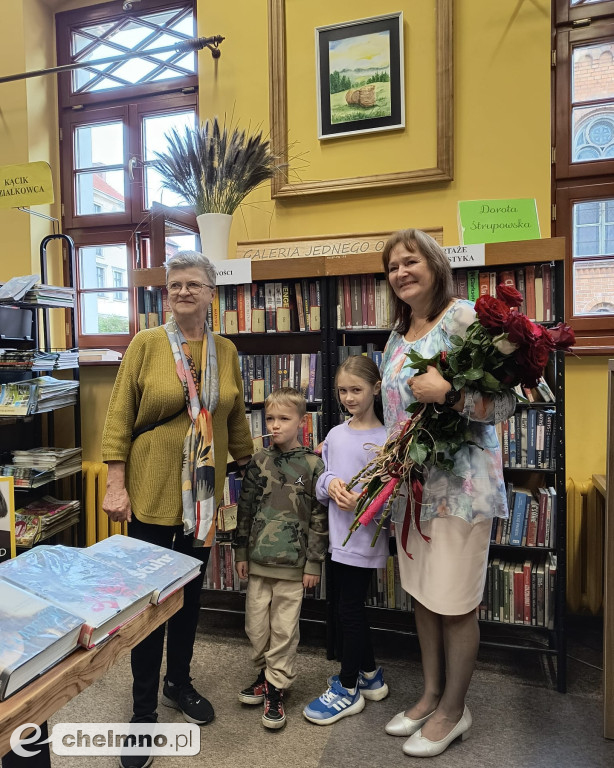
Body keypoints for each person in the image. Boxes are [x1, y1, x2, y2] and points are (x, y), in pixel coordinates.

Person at [101, 251, 253, 768]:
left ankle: (178, 683)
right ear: (166, 295)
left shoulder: (226, 350)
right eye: (174, 286)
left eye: (193, 285)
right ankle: (143, 712)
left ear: (213, 293)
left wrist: (253, 471)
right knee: (150, 602)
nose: (183, 292)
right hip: (151, 485)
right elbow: (120, 414)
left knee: (190, 593)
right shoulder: (146, 344)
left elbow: (235, 420)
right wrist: (114, 484)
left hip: (206, 492)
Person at [380, 229, 516, 758]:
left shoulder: (463, 319)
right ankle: (432, 694)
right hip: (413, 491)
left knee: (456, 602)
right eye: (392, 267)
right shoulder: (398, 336)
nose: (401, 272)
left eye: (410, 261)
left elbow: (507, 405)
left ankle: (455, 710)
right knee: (423, 596)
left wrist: (452, 394)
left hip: (462, 489)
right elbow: (395, 416)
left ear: (435, 265)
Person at [233, 387, 328, 730]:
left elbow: (320, 516)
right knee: (256, 627)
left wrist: (314, 563)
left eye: (284, 419)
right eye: (270, 418)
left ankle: (276, 687)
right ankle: (266, 672)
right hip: (259, 561)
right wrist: (241, 551)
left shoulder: (314, 464)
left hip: (294, 565)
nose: (275, 425)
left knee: (284, 630)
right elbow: (245, 510)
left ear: (302, 422)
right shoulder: (259, 461)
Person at [303, 355, 389, 725]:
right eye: (343, 390)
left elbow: (390, 493)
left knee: (348, 610)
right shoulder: (336, 434)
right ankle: (370, 674)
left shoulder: (388, 439)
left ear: (376, 388)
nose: (349, 397)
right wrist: (330, 484)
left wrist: (366, 499)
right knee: (346, 606)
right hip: (336, 539)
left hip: (364, 539)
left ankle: (348, 687)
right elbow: (323, 478)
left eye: (357, 389)